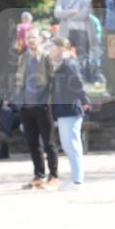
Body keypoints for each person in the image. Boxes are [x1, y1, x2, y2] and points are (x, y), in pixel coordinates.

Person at [14, 28, 58, 189]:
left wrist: (48, 101)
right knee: (33, 143)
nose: (31, 40)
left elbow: (53, 80)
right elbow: (19, 81)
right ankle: (39, 175)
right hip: (27, 106)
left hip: (43, 105)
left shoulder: (46, 57)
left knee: (49, 143)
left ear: (39, 39)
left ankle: (53, 176)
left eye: (33, 37)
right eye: (28, 38)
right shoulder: (23, 57)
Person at [49, 37, 89, 188]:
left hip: (70, 108)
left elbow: (78, 83)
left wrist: (85, 101)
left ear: (61, 49)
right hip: (63, 109)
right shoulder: (60, 64)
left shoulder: (69, 63)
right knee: (67, 145)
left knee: (72, 145)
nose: (50, 51)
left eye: (52, 47)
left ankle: (78, 181)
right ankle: (76, 178)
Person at [53, 0, 93, 79]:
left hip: (81, 31)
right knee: (64, 54)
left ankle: (80, 79)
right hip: (66, 31)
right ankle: (66, 78)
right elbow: (57, 13)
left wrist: (65, 15)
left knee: (82, 57)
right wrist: (72, 11)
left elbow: (83, 15)